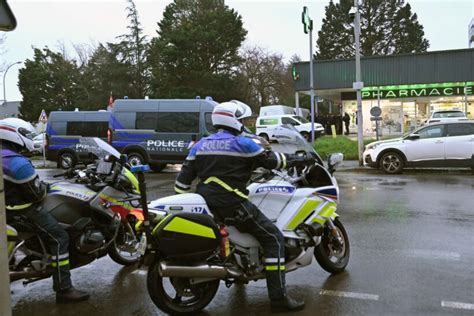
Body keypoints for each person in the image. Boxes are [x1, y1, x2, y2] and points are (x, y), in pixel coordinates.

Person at [174, 101, 307, 313]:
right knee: (273, 239)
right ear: (233, 120)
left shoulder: (200, 146)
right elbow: (273, 161)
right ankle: (279, 298)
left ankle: (240, 268)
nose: (244, 124)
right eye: (242, 120)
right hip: (233, 204)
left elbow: (180, 185)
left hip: (208, 205)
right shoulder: (243, 144)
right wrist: (298, 158)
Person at [1, 120, 89, 303]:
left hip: (6, 209)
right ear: (14, 134)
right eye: (27, 134)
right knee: (59, 238)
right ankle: (64, 288)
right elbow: (36, 193)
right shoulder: (16, 162)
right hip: (20, 211)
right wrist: (44, 188)